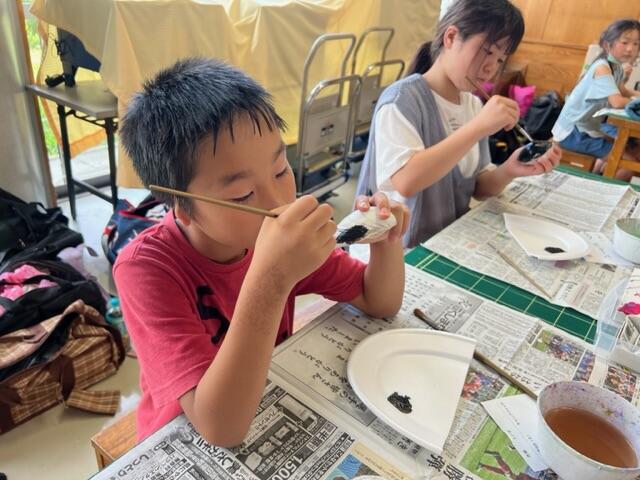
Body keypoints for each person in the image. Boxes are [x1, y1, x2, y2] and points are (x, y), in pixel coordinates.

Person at [114, 58, 410, 446]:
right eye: (242, 194)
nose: (278, 202)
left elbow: (380, 301)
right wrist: (272, 278)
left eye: (280, 170)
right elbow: (220, 428)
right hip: (181, 436)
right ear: (181, 207)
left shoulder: (280, 240)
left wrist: (385, 238)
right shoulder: (145, 270)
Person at [356, 0, 561, 247]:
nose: (491, 68)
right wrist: (477, 127)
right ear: (451, 37)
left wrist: (510, 169)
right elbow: (406, 182)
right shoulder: (402, 99)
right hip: (398, 249)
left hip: (445, 241)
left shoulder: (472, 105)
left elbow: (478, 188)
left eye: (500, 59)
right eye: (487, 51)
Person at [553, 19, 640, 181]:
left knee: (630, 147)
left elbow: (624, 91)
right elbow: (617, 102)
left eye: (636, 43)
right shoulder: (602, 68)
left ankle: (596, 175)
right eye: (625, 42)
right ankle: (599, 189)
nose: (631, 48)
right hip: (573, 132)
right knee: (629, 164)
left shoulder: (616, 67)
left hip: (588, 129)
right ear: (607, 44)